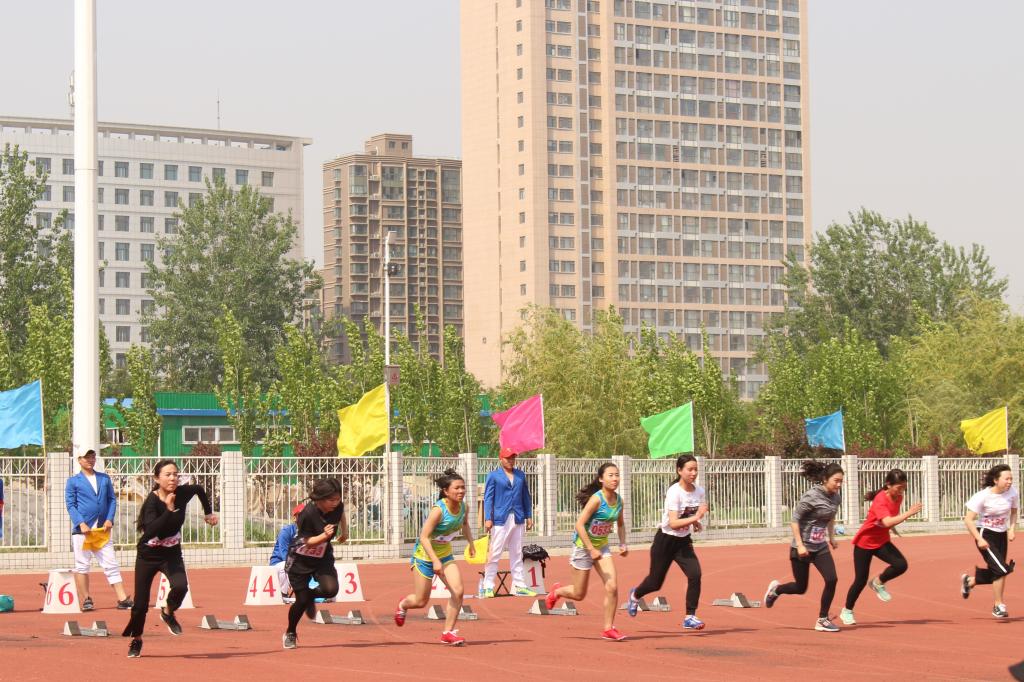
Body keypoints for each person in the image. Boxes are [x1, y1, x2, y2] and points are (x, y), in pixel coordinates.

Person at [122, 459, 218, 658]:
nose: (173, 478)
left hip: (171, 553)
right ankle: (137, 639)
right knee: (140, 605)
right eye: (168, 474)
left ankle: (167, 612)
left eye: (175, 474)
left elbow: (199, 489)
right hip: (148, 555)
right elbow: (151, 530)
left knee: (181, 586)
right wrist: (168, 509)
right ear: (157, 479)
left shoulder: (182, 493)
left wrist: (208, 513)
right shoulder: (151, 502)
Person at [545, 462, 629, 641]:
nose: (615, 479)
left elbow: (621, 524)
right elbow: (579, 524)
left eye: (617, 475)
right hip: (583, 548)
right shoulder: (597, 500)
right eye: (610, 475)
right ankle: (556, 592)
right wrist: (590, 549)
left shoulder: (619, 501)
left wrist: (623, 543)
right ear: (601, 479)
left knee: (612, 587)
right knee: (579, 594)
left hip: (602, 547)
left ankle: (608, 628)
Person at [394, 468, 476, 646]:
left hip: (445, 554)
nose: (461, 491)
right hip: (424, 556)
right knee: (421, 601)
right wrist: (435, 561)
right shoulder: (438, 510)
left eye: (463, 487)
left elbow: (465, 524)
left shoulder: (464, 507)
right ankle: (403, 605)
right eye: (457, 488)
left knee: (458, 592)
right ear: (446, 491)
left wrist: (471, 543)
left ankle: (447, 633)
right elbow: (424, 537)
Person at [627, 454, 707, 630]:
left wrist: (696, 523)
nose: (693, 473)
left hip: (683, 542)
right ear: (679, 470)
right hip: (665, 541)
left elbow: (687, 514)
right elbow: (673, 523)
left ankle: (690, 616)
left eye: (695, 469)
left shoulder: (699, 491)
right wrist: (697, 517)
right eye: (690, 469)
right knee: (655, 583)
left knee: (695, 574)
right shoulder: (674, 492)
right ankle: (635, 595)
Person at [764, 460, 843, 632]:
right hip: (802, 548)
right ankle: (776, 590)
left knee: (832, 579)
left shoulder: (836, 498)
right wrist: (800, 545)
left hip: (820, 546)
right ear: (825, 479)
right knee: (801, 588)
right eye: (836, 481)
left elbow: (830, 517)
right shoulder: (811, 496)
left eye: (841, 481)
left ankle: (822, 619)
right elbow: (795, 520)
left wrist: (831, 537)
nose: (839, 485)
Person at [839, 468, 922, 625]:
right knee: (860, 580)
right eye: (899, 487)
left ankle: (878, 582)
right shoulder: (880, 500)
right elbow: (886, 521)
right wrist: (909, 513)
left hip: (881, 541)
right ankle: (847, 611)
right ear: (888, 485)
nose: (901, 491)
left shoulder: (898, 497)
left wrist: (893, 528)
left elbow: (890, 518)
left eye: (904, 487)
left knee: (901, 565)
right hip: (864, 543)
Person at [282, 479, 347, 649]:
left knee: (331, 589)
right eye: (331, 500)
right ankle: (290, 632)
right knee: (301, 601)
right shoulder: (307, 514)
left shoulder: (337, 506)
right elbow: (307, 542)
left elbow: (341, 513)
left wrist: (345, 531)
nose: (335, 503)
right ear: (319, 499)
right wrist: (324, 536)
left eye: (338, 499)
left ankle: (310, 596)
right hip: (300, 558)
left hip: (322, 556)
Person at [65, 449, 133, 611]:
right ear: (79, 460)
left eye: (92, 457)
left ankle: (122, 598)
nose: (90, 460)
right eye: (86, 457)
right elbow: (71, 505)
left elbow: (112, 500)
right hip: (84, 531)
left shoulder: (104, 478)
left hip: (102, 530)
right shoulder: (73, 481)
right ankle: (86, 599)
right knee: (82, 565)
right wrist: (80, 523)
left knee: (111, 563)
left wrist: (109, 519)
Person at [960, 463, 1018, 618]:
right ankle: (998, 606)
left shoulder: (1012, 492)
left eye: (1011, 479)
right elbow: (968, 520)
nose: (1009, 482)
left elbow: (1014, 512)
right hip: (985, 534)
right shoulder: (982, 496)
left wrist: (1012, 529)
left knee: (999, 570)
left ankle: (970, 581)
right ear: (995, 480)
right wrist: (979, 539)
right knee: (1002, 569)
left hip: (1001, 535)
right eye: (1006, 479)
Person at [481, 447, 536, 597]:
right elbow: (488, 498)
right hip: (500, 519)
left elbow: (526, 497)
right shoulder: (494, 476)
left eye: (513, 458)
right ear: (501, 459)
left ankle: (519, 585)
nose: (511, 460)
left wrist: (529, 516)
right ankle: (488, 586)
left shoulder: (520, 475)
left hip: (518, 518)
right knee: (495, 553)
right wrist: (488, 518)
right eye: (508, 458)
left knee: (517, 553)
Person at [270, 504, 305, 602]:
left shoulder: (310, 533)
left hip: (297, 565)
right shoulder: (286, 532)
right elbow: (284, 555)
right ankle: (283, 594)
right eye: (301, 515)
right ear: (295, 518)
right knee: (285, 565)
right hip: (278, 563)